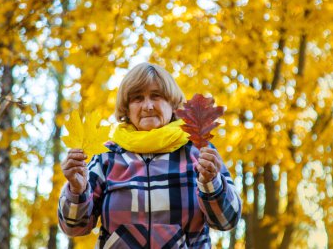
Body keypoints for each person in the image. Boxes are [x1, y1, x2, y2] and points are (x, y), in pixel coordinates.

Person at [58, 62, 242, 248]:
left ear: (172, 104)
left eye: (156, 96)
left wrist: (212, 183)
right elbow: (73, 227)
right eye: (137, 98)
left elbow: (228, 220)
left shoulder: (197, 150)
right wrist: (76, 190)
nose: (147, 106)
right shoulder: (107, 155)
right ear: (127, 109)